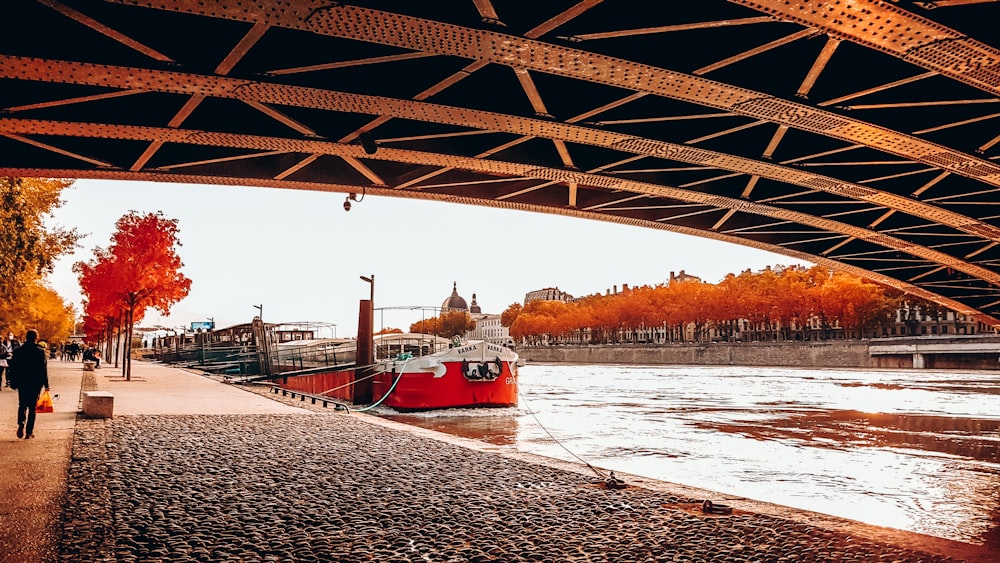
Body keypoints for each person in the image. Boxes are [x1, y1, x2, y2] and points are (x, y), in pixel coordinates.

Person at [8, 329, 49, 439]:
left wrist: (12, 382)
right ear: (36, 337)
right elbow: (43, 369)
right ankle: (29, 431)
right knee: (33, 407)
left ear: (26, 337)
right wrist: (46, 385)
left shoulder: (18, 351)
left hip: (22, 382)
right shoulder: (40, 351)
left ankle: (21, 422)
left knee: (22, 404)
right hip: (35, 382)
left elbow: (13, 368)